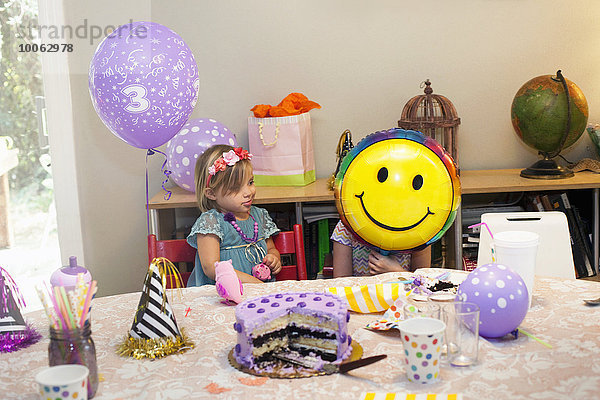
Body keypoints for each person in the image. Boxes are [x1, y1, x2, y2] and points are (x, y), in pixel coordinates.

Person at [186, 145, 282, 287]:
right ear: (211, 194)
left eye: (250, 182)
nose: (248, 192)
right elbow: (212, 268)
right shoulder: (211, 222)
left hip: (258, 291)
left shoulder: (259, 215)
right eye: (236, 188)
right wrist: (254, 284)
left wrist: (274, 258)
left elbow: (271, 248)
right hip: (222, 294)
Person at [331, 220, 431, 278]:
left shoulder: (419, 230)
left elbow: (424, 285)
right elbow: (341, 285)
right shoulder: (346, 227)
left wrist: (396, 272)